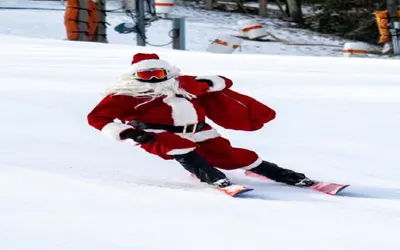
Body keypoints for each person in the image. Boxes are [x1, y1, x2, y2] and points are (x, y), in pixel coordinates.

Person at [87, 53, 313, 188]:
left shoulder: (181, 83)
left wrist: (212, 82)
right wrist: (127, 132)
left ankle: (283, 174)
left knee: (230, 156)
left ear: (169, 73)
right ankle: (213, 178)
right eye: (148, 76)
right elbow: (97, 116)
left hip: (200, 130)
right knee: (179, 147)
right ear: (135, 77)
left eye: (159, 74)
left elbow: (221, 82)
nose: (155, 79)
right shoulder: (125, 94)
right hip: (156, 133)